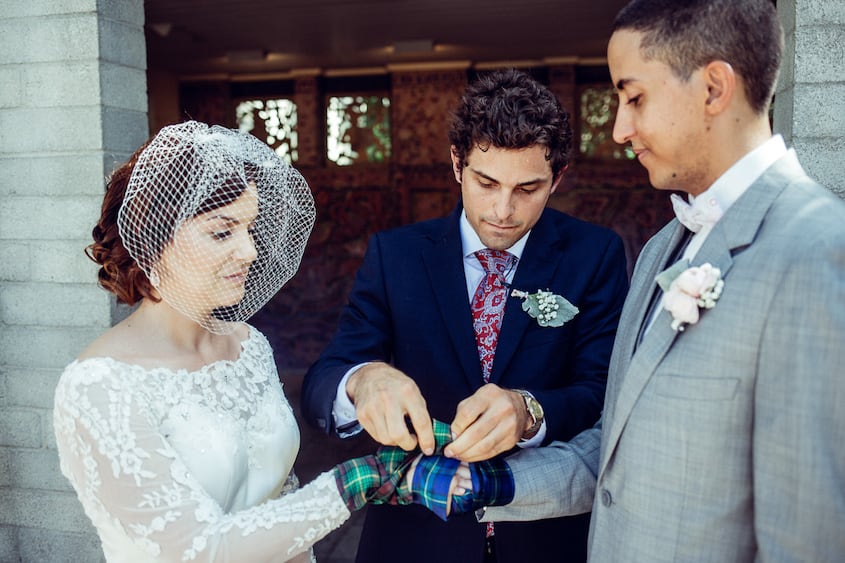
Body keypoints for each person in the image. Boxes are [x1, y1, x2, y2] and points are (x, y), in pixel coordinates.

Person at [475, 1, 845, 561]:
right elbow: (618, 452)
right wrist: (487, 484)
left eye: (635, 98)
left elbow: (807, 538)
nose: (620, 130)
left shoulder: (816, 249)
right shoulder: (657, 251)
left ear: (714, 88)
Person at [52, 121, 469, 563]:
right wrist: (357, 482)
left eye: (249, 228)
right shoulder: (100, 386)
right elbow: (199, 551)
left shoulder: (248, 345)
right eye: (222, 232)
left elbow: (280, 499)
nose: (249, 251)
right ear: (155, 239)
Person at [301, 69, 630, 563]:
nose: (503, 209)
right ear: (457, 163)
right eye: (486, 182)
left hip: (545, 538)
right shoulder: (396, 254)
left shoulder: (595, 254)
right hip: (416, 537)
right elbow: (322, 382)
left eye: (528, 188)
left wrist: (530, 412)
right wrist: (362, 381)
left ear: (557, 178)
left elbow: (602, 390)